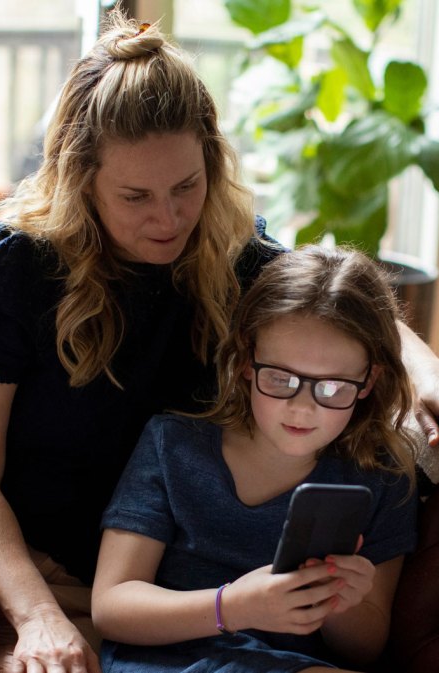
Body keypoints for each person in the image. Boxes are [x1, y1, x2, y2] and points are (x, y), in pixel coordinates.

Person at [0, 11, 439, 673]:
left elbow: (336, 303)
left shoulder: (229, 255)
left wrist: (438, 378)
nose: (169, 217)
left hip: (78, 569)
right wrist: (37, 616)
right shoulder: (6, 269)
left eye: (186, 186)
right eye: (136, 197)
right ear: (79, 180)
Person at [92, 246, 420, 672]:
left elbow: (364, 650)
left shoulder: (383, 477)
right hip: (170, 656)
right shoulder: (172, 446)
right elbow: (111, 606)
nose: (302, 408)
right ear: (246, 361)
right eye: (281, 379)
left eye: (332, 387)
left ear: (369, 380)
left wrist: (341, 602)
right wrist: (234, 607)